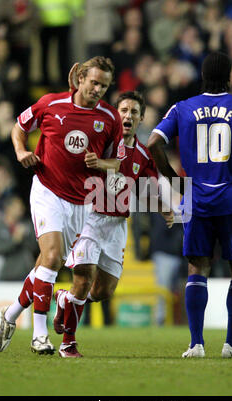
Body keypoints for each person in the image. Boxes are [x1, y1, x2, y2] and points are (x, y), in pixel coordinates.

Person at [147, 51, 232, 358]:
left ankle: (196, 344)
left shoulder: (182, 108)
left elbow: (153, 142)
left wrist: (175, 180)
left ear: (202, 77)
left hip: (197, 198)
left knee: (197, 267)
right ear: (230, 77)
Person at [0, 56, 124, 355]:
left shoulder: (110, 118)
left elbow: (117, 162)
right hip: (47, 189)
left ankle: (10, 315)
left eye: (104, 86)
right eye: (94, 83)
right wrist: (20, 150)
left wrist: (100, 163)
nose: (98, 90)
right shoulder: (51, 104)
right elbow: (19, 127)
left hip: (80, 202)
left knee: (43, 266)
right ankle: (39, 336)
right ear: (80, 79)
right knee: (51, 258)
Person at [54, 88, 174, 357]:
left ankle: (64, 298)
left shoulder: (143, 156)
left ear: (141, 119)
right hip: (89, 218)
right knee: (83, 280)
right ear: (114, 115)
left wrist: (163, 209)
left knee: (102, 292)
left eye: (134, 112)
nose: (128, 115)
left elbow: (145, 191)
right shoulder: (99, 142)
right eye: (123, 110)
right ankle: (68, 343)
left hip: (117, 226)